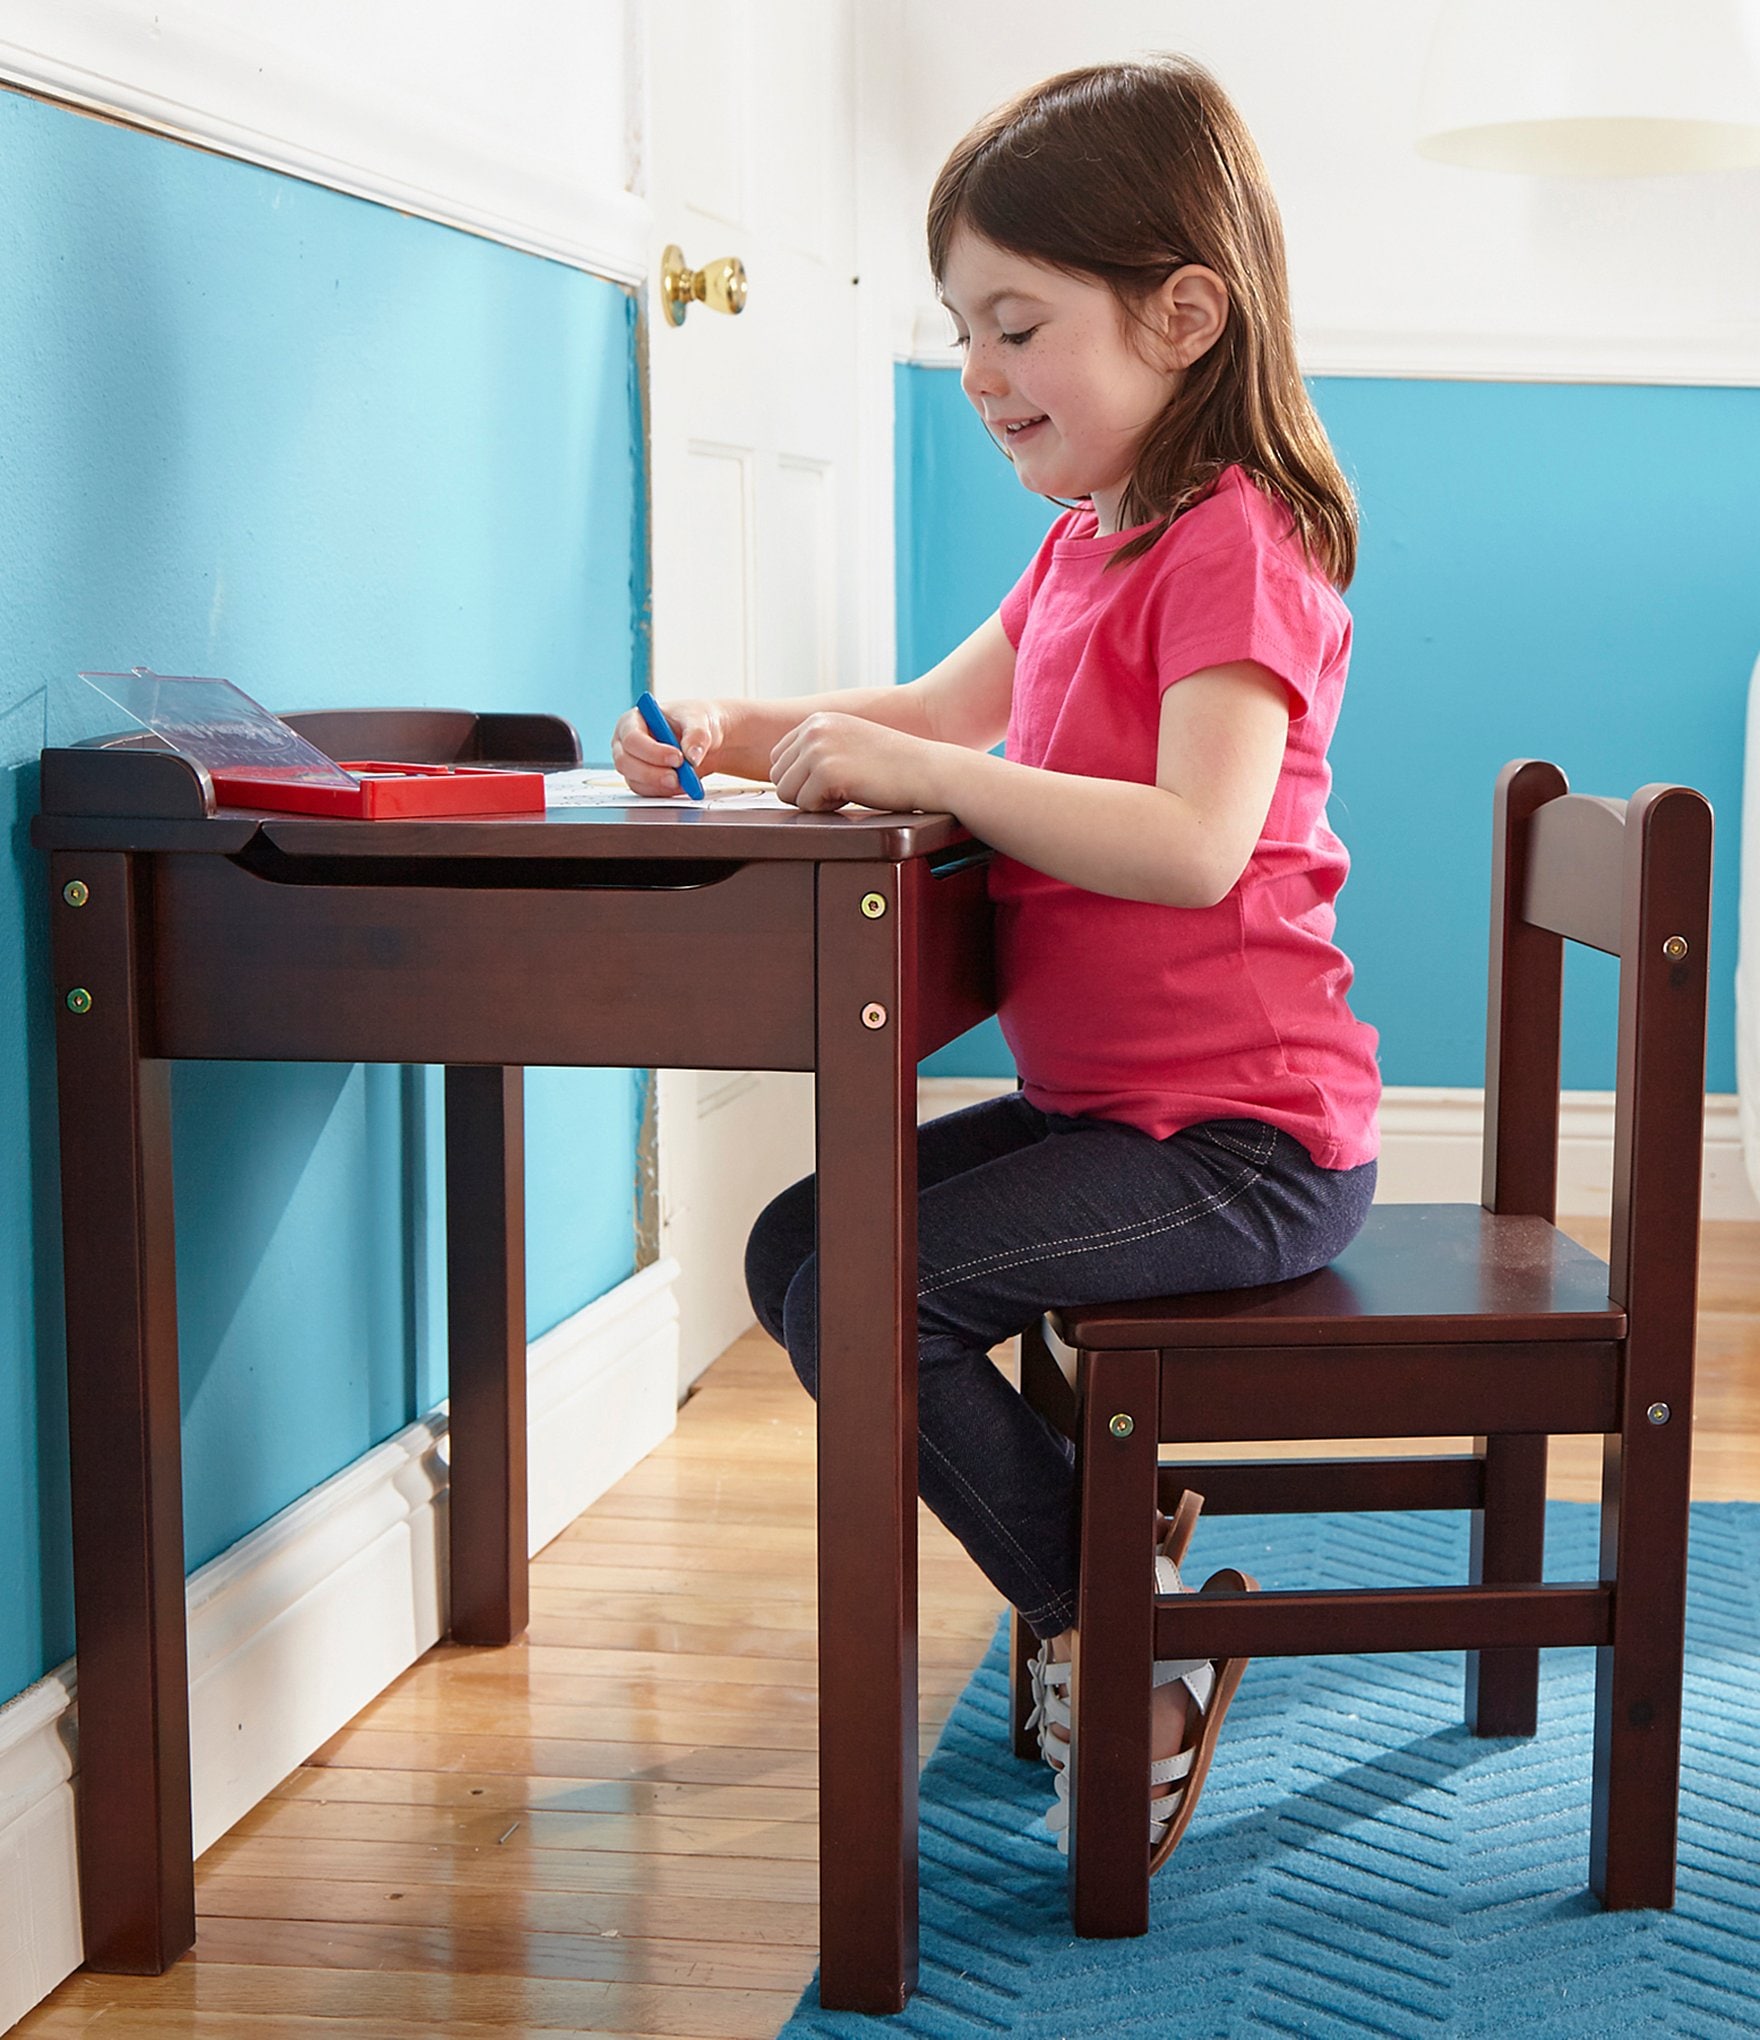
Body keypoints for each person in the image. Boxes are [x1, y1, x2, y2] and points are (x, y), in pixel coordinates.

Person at [611, 55, 1380, 1873]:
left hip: (1245, 1145)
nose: (977, 375)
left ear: (1184, 315)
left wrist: (936, 777)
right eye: (963, 329)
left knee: (881, 1282)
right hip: (1113, 1113)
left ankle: (1123, 1628)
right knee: (799, 1247)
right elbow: (930, 716)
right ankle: (1114, 1587)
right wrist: (732, 726)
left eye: (1017, 325)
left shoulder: (1236, 548)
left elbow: (1194, 841)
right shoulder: (1082, 548)